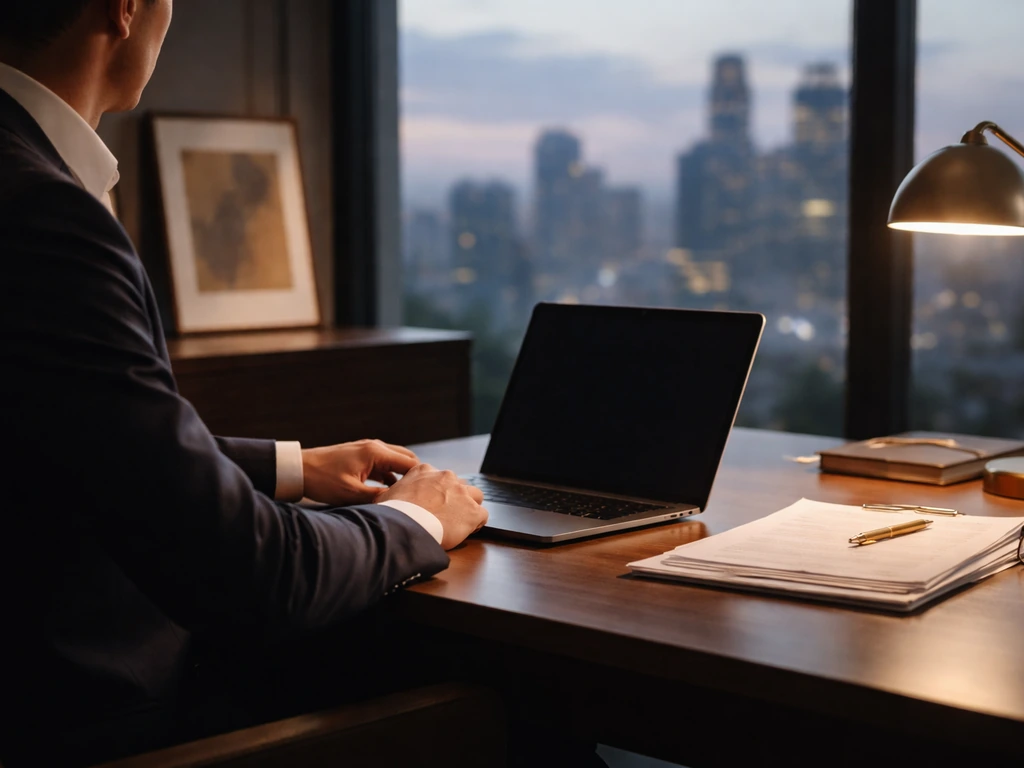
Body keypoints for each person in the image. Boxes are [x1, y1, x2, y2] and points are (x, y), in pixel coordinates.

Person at [0, 1, 491, 765]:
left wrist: (294, 467)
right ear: (125, 9)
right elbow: (260, 578)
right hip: (91, 720)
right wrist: (414, 520)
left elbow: (74, 439)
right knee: (515, 719)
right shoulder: (40, 214)